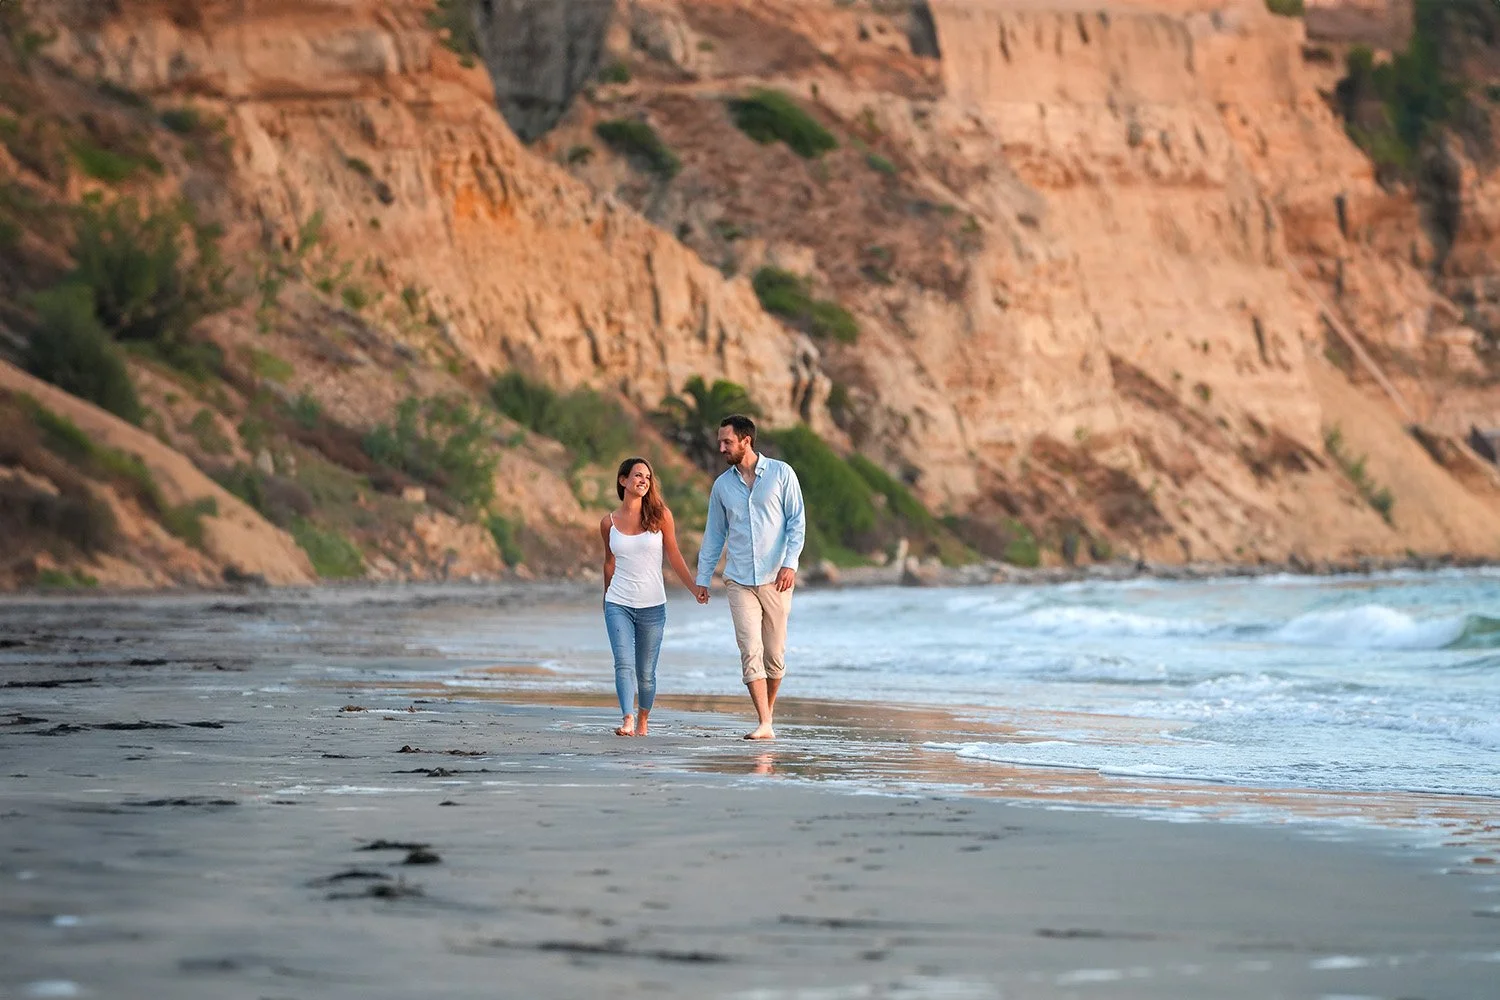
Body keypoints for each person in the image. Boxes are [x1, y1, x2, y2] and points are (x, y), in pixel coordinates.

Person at [694, 414, 806, 740]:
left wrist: (791, 563)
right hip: (738, 579)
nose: (721, 447)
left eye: (727, 441)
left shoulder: (782, 474)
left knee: (775, 655)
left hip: (776, 579)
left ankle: (766, 717)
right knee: (750, 650)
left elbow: (796, 522)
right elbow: (714, 535)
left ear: (746, 440)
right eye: (720, 442)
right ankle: (764, 722)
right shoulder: (722, 486)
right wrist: (703, 578)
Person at [601, 456, 706, 737]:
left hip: (652, 606)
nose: (643, 480)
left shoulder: (660, 516)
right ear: (623, 481)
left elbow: (674, 556)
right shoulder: (608, 523)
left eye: (647, 477)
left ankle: (644, 720)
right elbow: (609, 562)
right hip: (618, 603)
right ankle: (627, 719)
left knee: (646, 673)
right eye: (637, 475)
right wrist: (606, 596)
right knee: (623, 662)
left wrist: (695, 588)